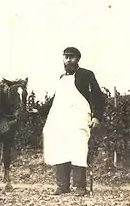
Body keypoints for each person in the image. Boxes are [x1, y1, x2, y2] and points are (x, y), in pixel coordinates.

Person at [42, 47, 105, 196]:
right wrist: (39, 110)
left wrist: (97, 116)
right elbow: (55, 99)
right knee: (59, 148)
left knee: (78, 149)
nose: (69, 59)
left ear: (78, 59)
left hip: (79, 117)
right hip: (61, 118)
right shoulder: (61, 78)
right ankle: (63, 185)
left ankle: (80, 186)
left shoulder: (86, 75)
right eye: (66, 57)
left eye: (72, 57)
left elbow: (97, 96)